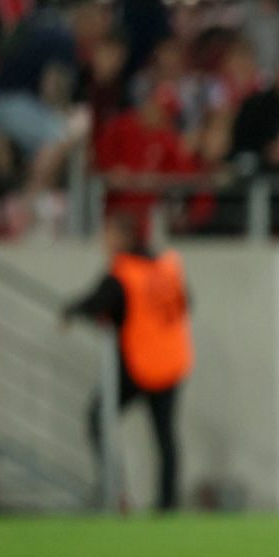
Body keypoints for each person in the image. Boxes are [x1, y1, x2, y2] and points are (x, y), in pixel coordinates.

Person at [62, 214, 193, 511]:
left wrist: (69, 312)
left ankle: (115, 490)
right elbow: (186, 303)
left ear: (123, 238)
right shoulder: (165, 267)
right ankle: (168, 504)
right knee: (165, 436)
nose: (103, 242)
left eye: (108, 235)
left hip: (138, 365)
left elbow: (96, 303)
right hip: (172, 361)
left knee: (97, 416)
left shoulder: (123, 272)